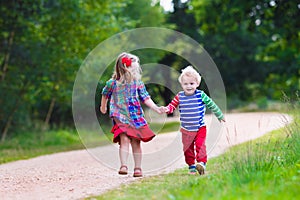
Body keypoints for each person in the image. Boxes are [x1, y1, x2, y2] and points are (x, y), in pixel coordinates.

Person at [100, 52, 161, 177]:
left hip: (135, 115)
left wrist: (156, 108)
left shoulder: (137, 83)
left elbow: (145, 97)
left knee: (136, 141)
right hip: (119, 115)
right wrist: (103, 106)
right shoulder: (112, 83)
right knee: (124, 138)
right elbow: (105, 93)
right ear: (124, 67)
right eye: (134, 66)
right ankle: (124, 165)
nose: (136, 68)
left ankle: (138, 168)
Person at [161, 66, 225, 175]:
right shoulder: (179, 96)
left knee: (200, 146)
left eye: (191, 83)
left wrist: (219, 115)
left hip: (200, 127)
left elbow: (211, 104)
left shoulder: (200, 95)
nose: (189, 86)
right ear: (182, 85)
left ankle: (201, 163)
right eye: (185, 84)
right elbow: (172, 106)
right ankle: (191, 166)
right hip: (186, 129)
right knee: (187, 149)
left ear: (197, 84)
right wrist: (166, 109)